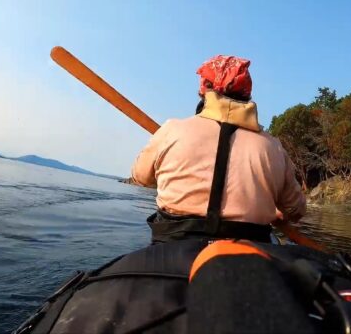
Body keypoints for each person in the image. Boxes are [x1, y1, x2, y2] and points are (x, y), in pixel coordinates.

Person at [131, 55, 306, 243]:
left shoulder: (171, 129)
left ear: (203, 91)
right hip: (248, 251)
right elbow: (296, 211)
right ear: (247, 95)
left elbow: (140, 177)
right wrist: (278, 212)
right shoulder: (273, 147)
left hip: (174, 243)